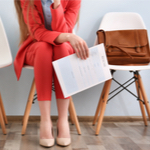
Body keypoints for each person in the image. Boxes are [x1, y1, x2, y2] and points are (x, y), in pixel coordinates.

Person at [14, 0, 89, 148]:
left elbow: (64, 29)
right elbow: (37, 32)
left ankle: (63, 120)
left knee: (61, 49)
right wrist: (68, 37)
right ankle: (45, 120)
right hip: (36, 47)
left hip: (63, 49)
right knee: (44, 47)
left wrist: (56, 4)